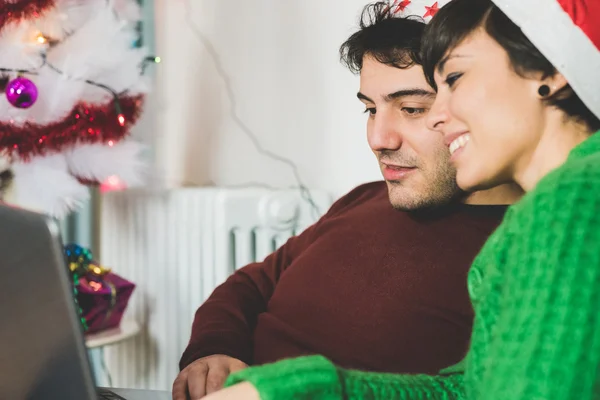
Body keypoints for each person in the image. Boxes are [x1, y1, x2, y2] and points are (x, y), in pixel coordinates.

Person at [203, 0, 600, 398]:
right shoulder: (526, 226)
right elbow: (468, 388)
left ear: (549, 71)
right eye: (370, 110)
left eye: (415, 106)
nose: (379, 139)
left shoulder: (575, 198)